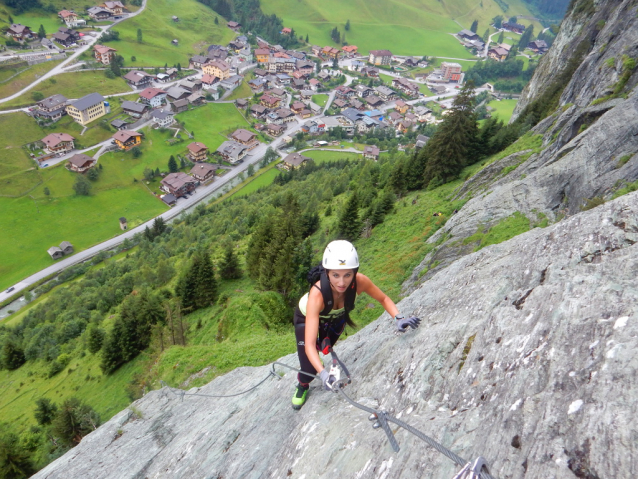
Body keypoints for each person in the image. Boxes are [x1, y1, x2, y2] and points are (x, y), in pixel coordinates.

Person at [291, 240, 420, 409]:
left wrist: (399, 318)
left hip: (335, 318)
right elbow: (308, 344)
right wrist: (322, 374)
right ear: (327, 272)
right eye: (335, 275)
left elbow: (383, 298)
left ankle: (321, 352)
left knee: (325, 348)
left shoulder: (360, 281)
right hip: (305, 318)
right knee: (309, 369)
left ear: (354, 272)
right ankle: (303, 385)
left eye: (347, 275)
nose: (342, 283)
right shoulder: (318, 294)